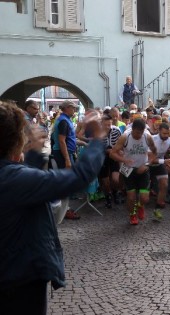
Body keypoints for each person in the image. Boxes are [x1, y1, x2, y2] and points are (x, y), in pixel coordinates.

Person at [0, 100, 105, 315]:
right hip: (19, 279)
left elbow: (26, 188)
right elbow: (79, 177)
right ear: (15, 140)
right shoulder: (14, 179)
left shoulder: (14, 177)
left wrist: (34, 155)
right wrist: (98, 139)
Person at [110, 118, 157, 225]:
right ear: (132, 129)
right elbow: (112, 153)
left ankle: (140, 206)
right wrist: (124, 160)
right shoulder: (125, 137)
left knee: (144, 198)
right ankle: (132, 214)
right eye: (137, 132)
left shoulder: (147, 136)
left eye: (141, 132)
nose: (139, 135)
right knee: (131, 197)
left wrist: (147, 164)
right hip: (128, 170)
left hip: (143, 169)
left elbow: (154, 152)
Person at [51, 100, 80, 220]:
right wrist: (67, 159)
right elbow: (62, 141)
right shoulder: (63, 120)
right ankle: (63, 210)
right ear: (67, 108)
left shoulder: (65, 119)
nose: (75, 110)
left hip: (65, 153)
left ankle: (65, 208)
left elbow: (69, 138)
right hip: (63, 155)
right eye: (73, 108)